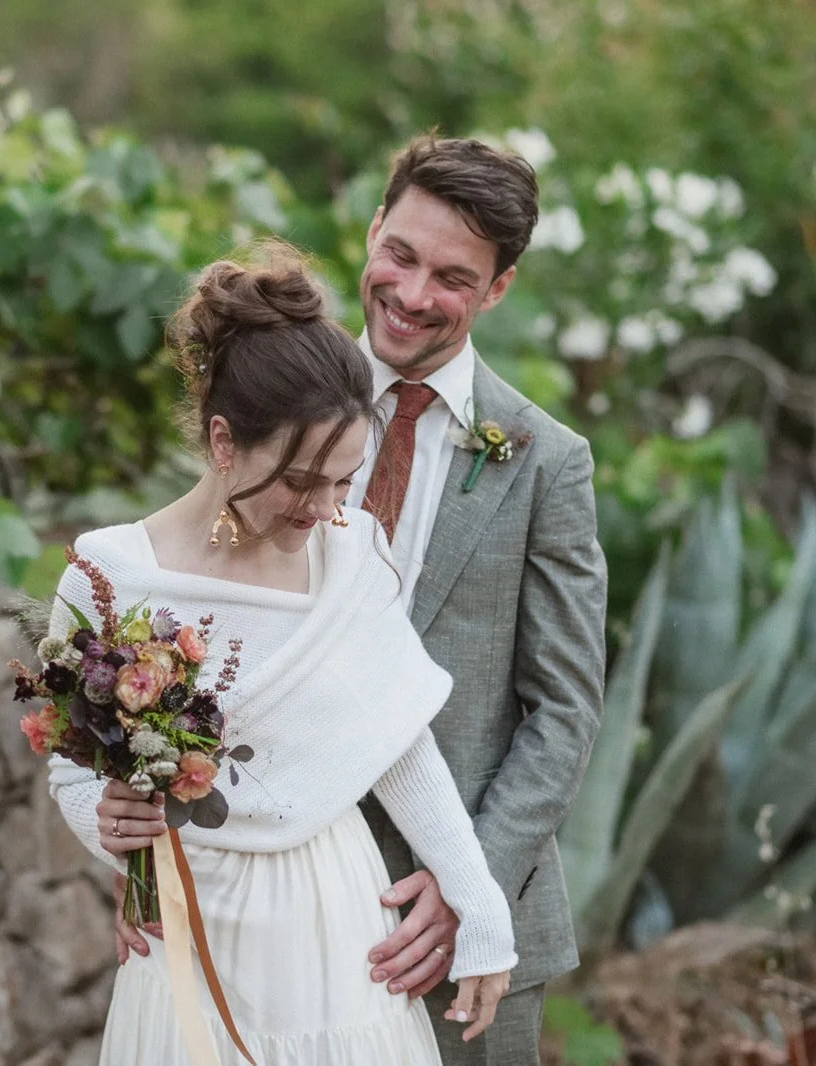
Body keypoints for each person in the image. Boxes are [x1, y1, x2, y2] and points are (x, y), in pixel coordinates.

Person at [112, 134, 608, 1065]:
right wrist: (153, 852)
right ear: (374, 227)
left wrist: (470, 883)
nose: (414, 294)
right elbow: (203, 624)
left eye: (454, 277)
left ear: (499, 288)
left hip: (458, 928)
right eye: (402, 254)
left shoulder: (547, 461)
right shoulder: (273, 397)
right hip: (269, 911)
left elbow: (566, 709)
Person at [47, 247, 518, 1064]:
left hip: (333, 917)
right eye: (303, 482)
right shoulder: (111, 575)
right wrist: (104, 820)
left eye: (343, 480)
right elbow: (71, 765)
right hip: (186, 922)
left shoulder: (350, 553)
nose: (327, 509)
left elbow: (398, 744)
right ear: (225, 441)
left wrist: (480, 909)